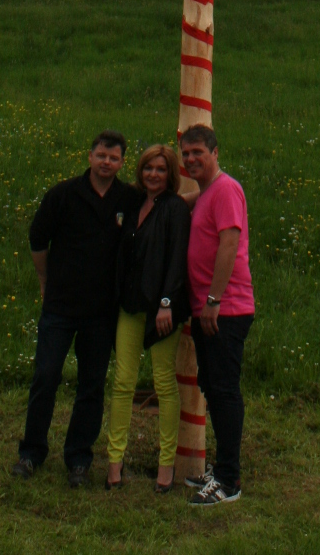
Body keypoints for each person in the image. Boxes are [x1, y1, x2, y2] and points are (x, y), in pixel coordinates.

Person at [12, 128, 140, 487]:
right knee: (46, 376)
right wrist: (44, 280)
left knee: (91, 386)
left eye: (113, 157)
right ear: (89, 156)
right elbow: (38, 238)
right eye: (101, 155)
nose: (106, 162)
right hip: (60, 307)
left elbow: (162, 204)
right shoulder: (63, 194)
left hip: (101, 311)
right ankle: (31, 452)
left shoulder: (128, 199)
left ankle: (79, 459)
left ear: (122, 162)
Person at [104, 142, 191, 493]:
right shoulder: (131, 203)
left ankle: (166, 465)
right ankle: (114, 462)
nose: (153, 174)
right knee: (123, 381)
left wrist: (167, 303)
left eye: (161, 169)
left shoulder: (175, 208)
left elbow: (178, 258)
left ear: (170, 174)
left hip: (162, 310)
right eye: (148, 168)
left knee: (164, 383)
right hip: (130, 305)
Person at [180, 124, 255, 507]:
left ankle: (229, 480)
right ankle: (222, 468)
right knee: (212, 386)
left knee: (224, 391)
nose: (191, 159)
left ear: (215, 152)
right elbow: (188, 200)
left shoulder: (226, 189)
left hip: (226, 308)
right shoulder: (208, 191)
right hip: (207, 309)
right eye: (186, 153)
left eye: (198, 152)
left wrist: (214, 299)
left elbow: (229, 243)